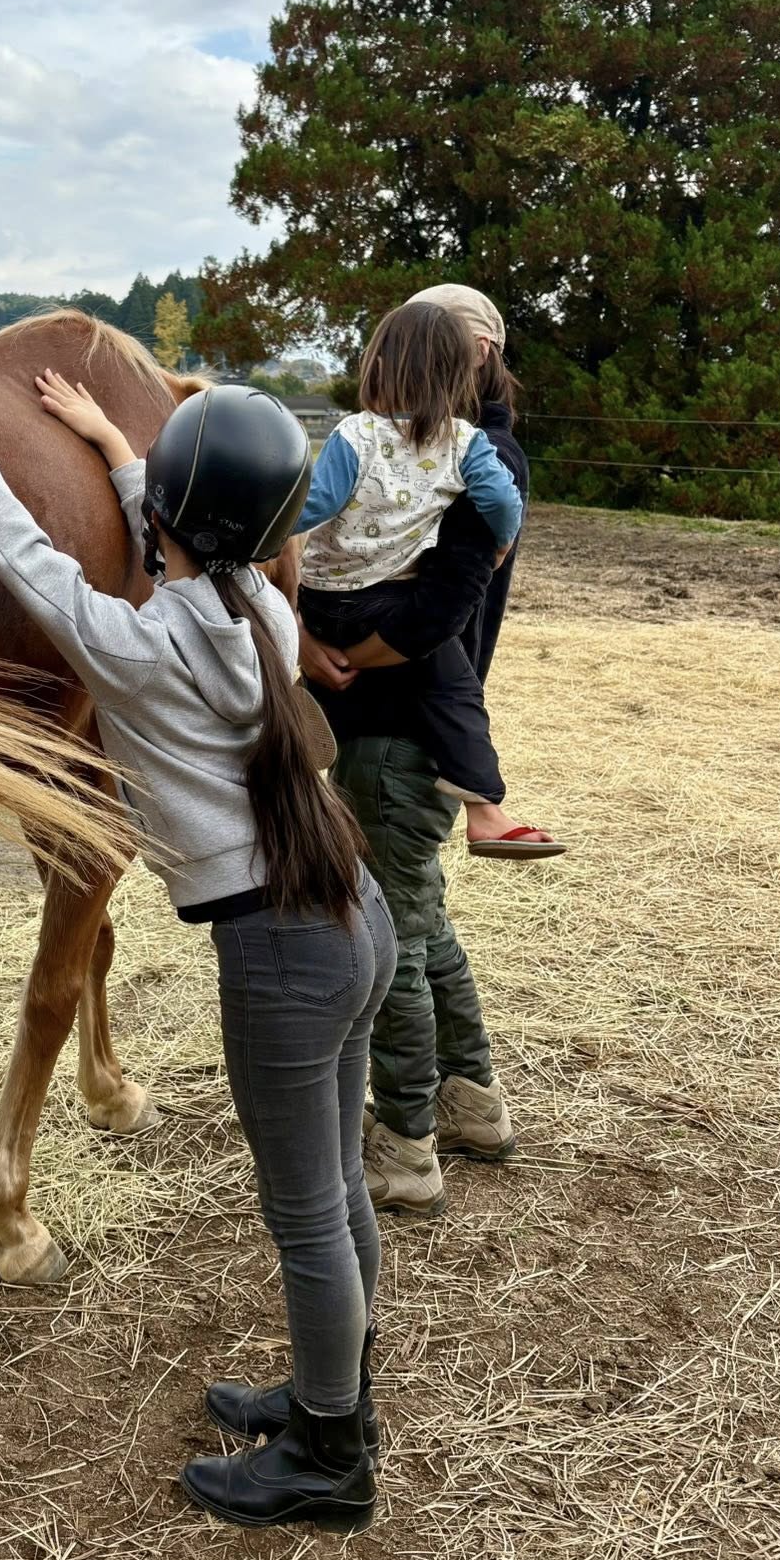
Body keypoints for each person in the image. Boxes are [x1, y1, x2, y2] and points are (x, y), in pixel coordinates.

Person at [0, 345, 396, 1533]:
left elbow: (23, 556)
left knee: (305, 1209)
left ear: (168, 523)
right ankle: (335, 1391)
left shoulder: (138, 646)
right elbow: (190, 528)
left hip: (281, 952)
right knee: (337, 1186)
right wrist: (111, 439)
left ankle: (331, 1456)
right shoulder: (264, 607)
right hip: (356, 913)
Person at [301, 283, 532, 1217]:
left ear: (485, 352)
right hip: (410, 728)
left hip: (394, 730)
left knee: (389, 939)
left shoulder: (475, 453)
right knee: (424, 924)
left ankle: (405, 1144)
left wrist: (327, 651)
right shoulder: (466, 452)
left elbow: (439, 609)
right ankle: (471, 1103)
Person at [295, 300, 562, 862]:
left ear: (376, 366)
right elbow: (500, 502)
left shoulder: (354, 434)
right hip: (386, 605)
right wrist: (503, 539)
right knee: (454, 686)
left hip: (322, 601)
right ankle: (485, 809)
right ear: (460, 374)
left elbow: (314, 504)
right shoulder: (466, 443)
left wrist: (258, 536)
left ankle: (289, 738)